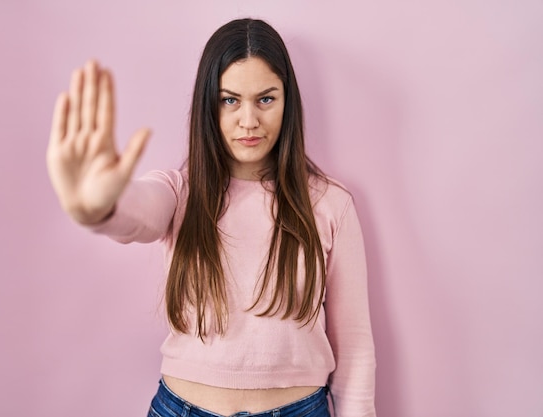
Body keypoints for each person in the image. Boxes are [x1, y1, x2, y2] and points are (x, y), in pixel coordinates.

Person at [47, 18, 376, 417]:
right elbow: (137, 213)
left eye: (266, 99)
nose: (249, 120)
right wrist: (98, 209)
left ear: (288, 102)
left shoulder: (330, 204)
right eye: (230, 100)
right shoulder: (179, 191)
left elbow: (355, 351)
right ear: (209, 105)